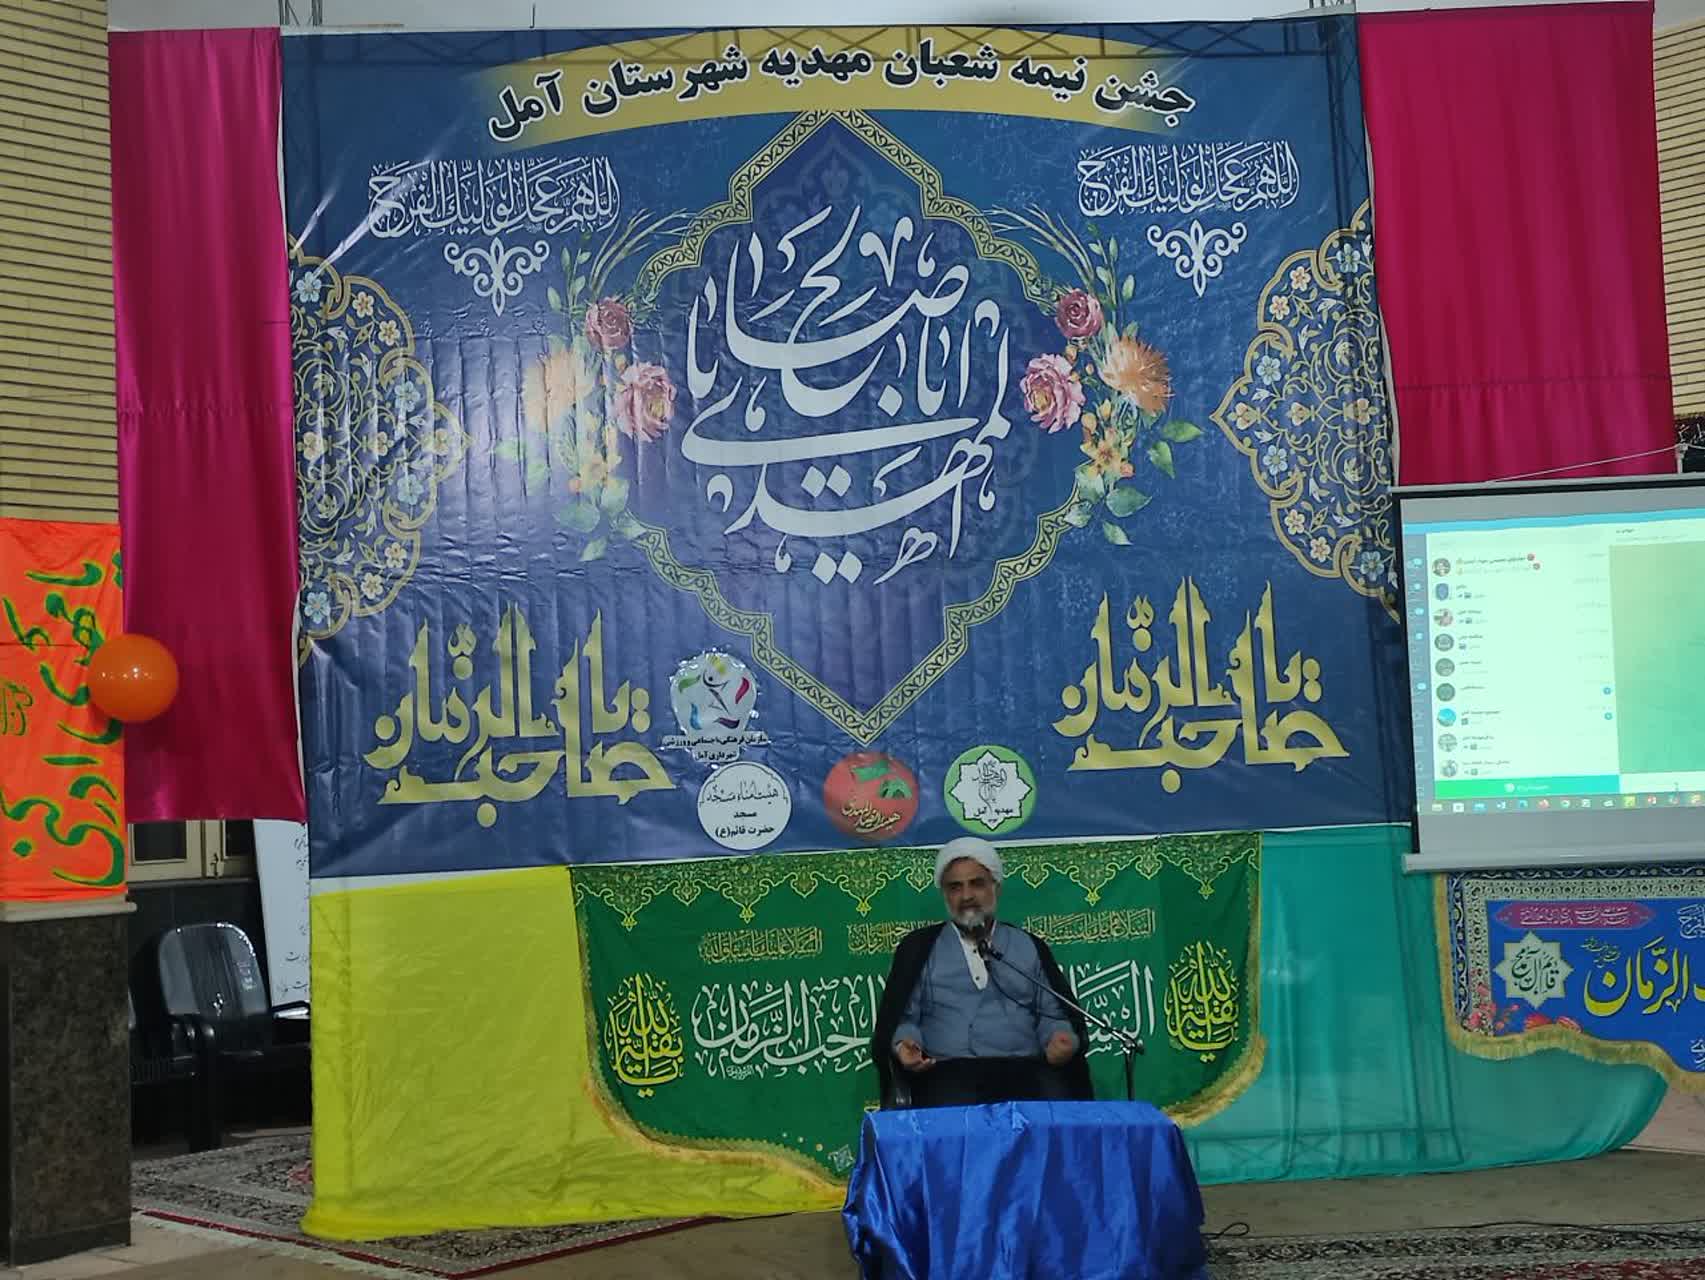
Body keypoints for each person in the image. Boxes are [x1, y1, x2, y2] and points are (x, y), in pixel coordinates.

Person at [871, 836, 1093, 1107]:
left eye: (977, 883)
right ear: (945, 895)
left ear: (996, 887)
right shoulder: (919, 948)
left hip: (1023, 1073)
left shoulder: (1028, 946)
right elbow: (904, 1018)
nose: (966, 896)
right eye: (955, 887)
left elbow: (1054, 1014)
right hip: (948, 1076)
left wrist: (1059, 1037)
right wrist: (905, 1043)